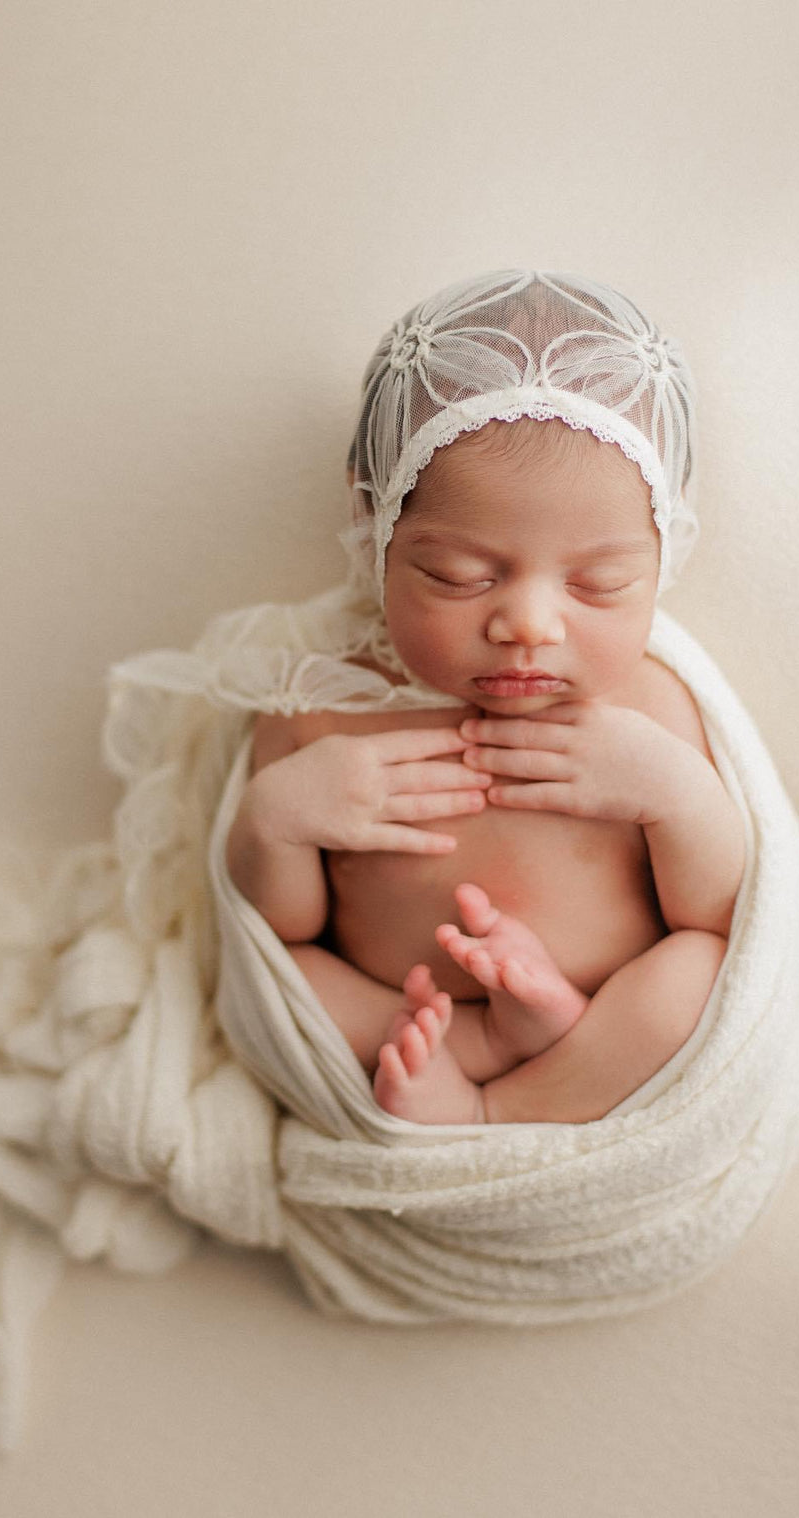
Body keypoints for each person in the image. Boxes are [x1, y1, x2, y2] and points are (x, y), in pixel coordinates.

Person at [225, 269, 745, 1125]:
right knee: (296, 991)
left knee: (691, 980)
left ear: (665, 552)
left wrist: (677, 795)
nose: (528, 625)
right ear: (377, 531)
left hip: (600, 1030)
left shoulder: (647, 711)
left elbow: (718, 914)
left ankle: (505, 1110)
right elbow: (280, 932)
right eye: (458, 576)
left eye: (601, 582)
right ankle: (467, 1060)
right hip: (396, 1018)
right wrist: (275, 821)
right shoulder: (321, 709)